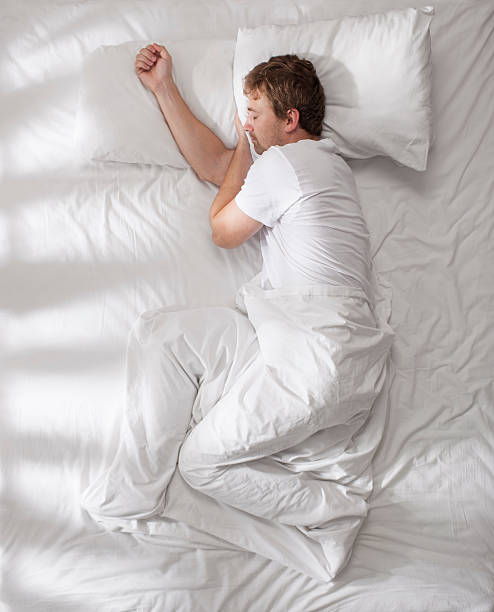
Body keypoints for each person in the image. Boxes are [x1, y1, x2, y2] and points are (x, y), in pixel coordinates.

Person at [81, 43, 394, 576]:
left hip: (318, 360)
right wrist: (164, 89)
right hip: (295, 342)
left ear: (289, 120)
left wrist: (247, 153)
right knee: (162, 334)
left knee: (201, 465)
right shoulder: (313, 165)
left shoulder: (291, 167)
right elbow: (215, 166)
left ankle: (332, 514)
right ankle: (134, 491)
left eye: (253, 115)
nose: (243, 125)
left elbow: (223, 229)